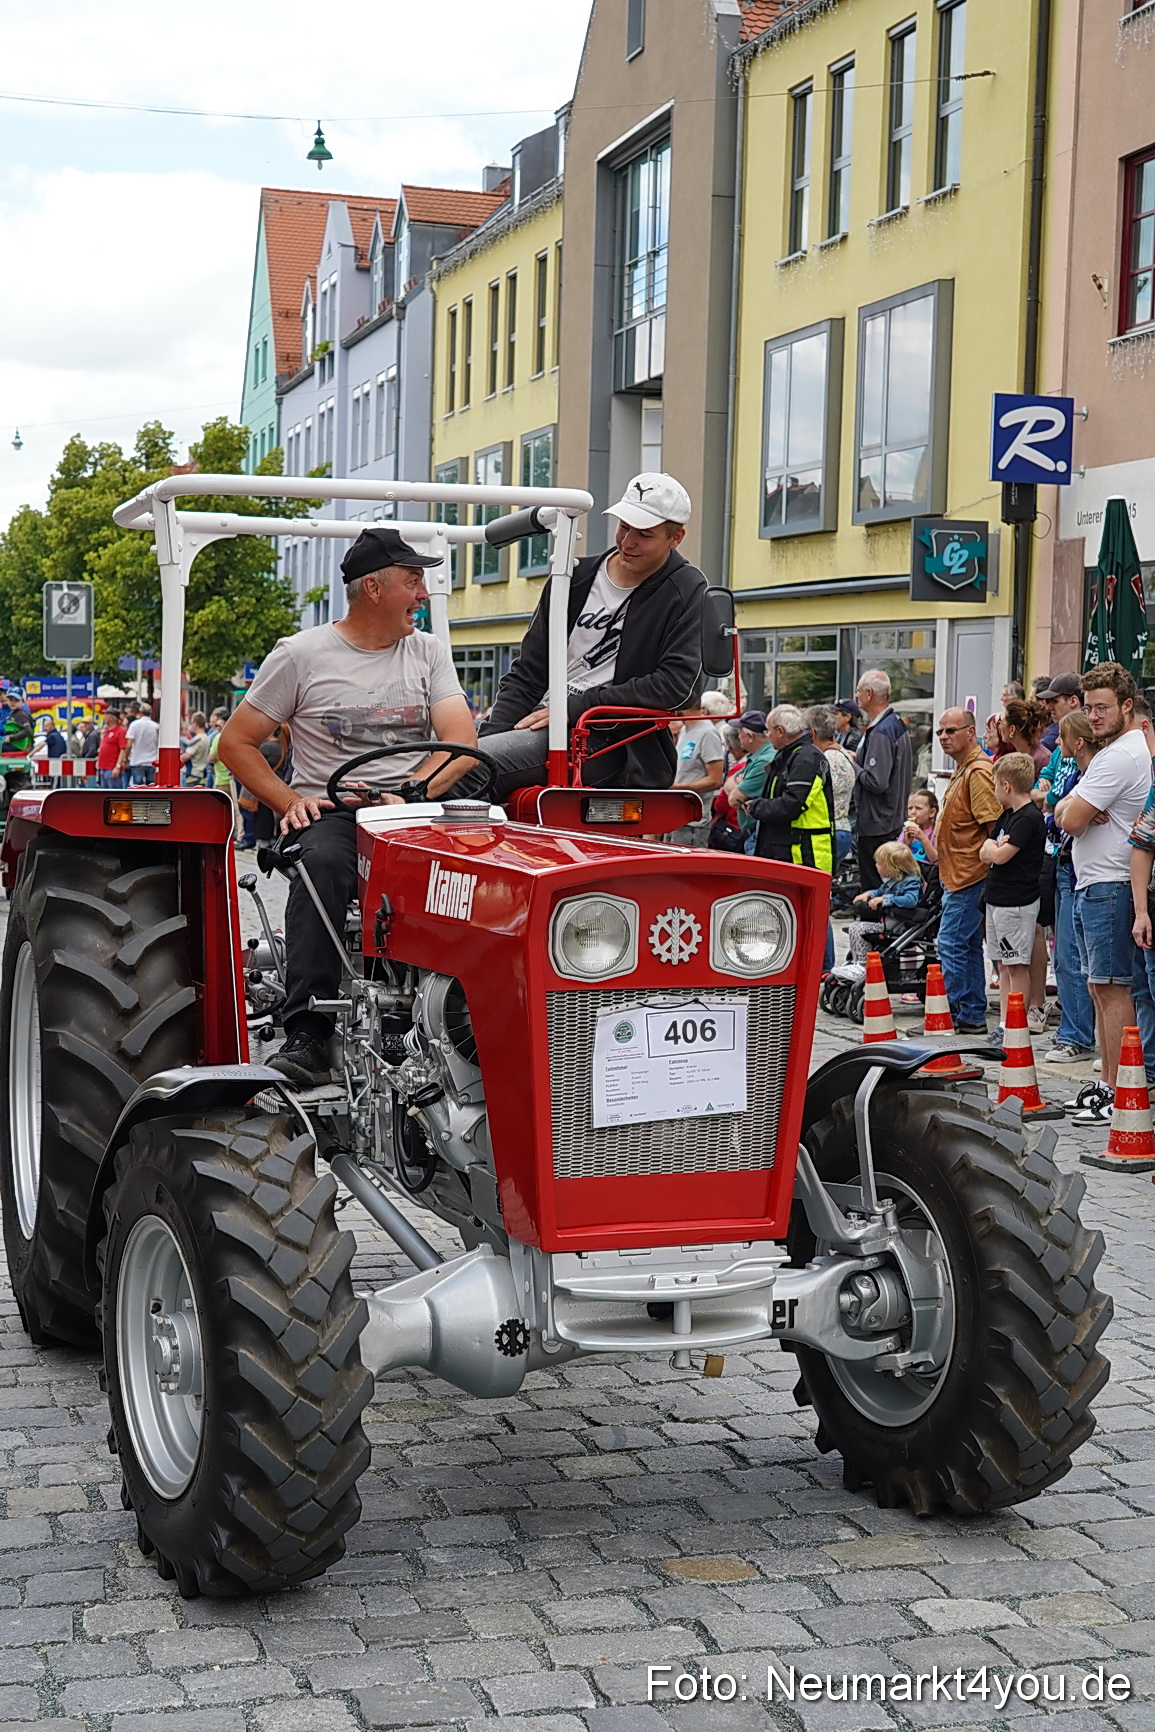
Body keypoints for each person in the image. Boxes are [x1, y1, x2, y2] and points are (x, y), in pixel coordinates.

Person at [219, 524, 478, 1087]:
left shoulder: (428, 653)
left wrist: (411, 791)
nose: (424, 594)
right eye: (414, 581)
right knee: (324, 864)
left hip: (411, 807)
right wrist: (289, 801)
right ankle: (308, 1032)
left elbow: (461, 743)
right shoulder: (301, 655)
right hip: (332, 810)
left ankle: (465, 1020)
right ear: (375, 589)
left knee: (478, 867)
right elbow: (235, 744)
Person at [476, 473, 708, 797]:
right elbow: (528, 672)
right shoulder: (574, 576)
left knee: (472, 769)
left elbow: (677, 686)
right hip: (540, 721)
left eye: (644, 534)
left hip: (609, 741)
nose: (628, 542)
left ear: (676, 538)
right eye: (623, 526)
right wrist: (493, 733)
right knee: (450, 758)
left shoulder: (687, 590)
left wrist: (575, 708)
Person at [1055, 663, 1152, 1124]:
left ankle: (1119, 1088)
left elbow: (1071, 820)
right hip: (1097, 881)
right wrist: (1066, 806)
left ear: (1127, 707)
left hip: (1110, 883)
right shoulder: (1117, 751)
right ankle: (1108, 1082)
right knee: (1098, 987)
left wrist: (1069, 808)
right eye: (1088, 707)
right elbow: (1065, 809)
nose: (1092, 717)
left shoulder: (1118, 756)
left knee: (1113, 990)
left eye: (1102, 708)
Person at [935, 707, 1003, 1033]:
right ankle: (972, 1015)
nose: (944, 737)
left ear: (970, 732)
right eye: (941, 732)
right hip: (959, 873)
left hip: (970, 874)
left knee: (950, 943)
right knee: (969, 945)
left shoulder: (978, 771)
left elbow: (993, 825)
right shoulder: (964, 769)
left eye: (951, 731)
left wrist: (988, 867)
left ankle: (947, 1014)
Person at [1041, 711, 1099, 1063]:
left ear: (1078, 742)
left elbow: (1066, 813)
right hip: (1063, 865)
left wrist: (1061, 807)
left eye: (1062, 739)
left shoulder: (1093, 772)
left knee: (1074, 958)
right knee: (1064, 956)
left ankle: (1078, 1035)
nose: (1057, 745)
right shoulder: (1077, 773)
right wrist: (1060, 807)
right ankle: (1075, 1032)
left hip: (1080, 870)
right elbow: (1055, 809)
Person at [979, 753, 1047, 1034]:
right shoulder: (1008, 815)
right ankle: (1006, 1022)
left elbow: (1001, 854)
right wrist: (992, 848)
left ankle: (1015, 1025)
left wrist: (993, 849)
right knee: (1003, 966)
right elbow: (985, 850)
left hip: (1016, 902)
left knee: (1016, 965)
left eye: (995, 784)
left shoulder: (1028, 818)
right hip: (996, 898)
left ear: (1006, 786)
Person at [737, 704, 834, 871]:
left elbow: (792, 804)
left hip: (804, 852)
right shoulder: (791, 754)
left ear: (780, 731)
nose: (767, 736)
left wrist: (756, 807)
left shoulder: (806, 758)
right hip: (788, 848)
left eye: (768, 731)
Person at [853, 670, 912, 892]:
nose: (856, 696)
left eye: (859, 691)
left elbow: (876, 781)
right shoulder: (896, 724)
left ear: (869, 694)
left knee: (875, 886)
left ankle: (871, 926)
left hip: (877, 823)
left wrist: (853, 766)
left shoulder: (882, 731)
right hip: (892, 818)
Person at [844, 840, 922, 966]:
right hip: (888, 924)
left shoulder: (910, 882)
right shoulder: (891, 881)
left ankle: (863, 964)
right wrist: (869, 894)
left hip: (899, 927)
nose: (876, 866)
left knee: (859, 929)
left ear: (892, 868)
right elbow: (879, 891)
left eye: (879, 864)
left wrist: (885, 899)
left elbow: (911, 900)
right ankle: (857, 960)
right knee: (855, 928)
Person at [668, 698, 726, 847]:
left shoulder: (708, 733)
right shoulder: (684, 730)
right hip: (675, 818)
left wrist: (677, 788)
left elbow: (715, 780)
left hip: (693, 824)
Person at [807, 705, 856, 870]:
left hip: (828, 833)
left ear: (812, 734)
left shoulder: (823, 761)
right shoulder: (844, 753)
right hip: (844, 828)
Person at [1038, 670, 1083, 753]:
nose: (1049, 707)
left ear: (1073, 701)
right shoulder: (1062, 740)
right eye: (1048, 701)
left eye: (1054, 701)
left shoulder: (1086, 742)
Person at [1002, 698, 1052, 771]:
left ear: (1012, 729)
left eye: (1001, 722)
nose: (999, 726)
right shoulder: (1018, 754)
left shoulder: (1043, 759)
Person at [123, 701, 159, 785]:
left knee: (138, 786)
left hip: (137, 760)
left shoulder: (134, 725)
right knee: (151, 787)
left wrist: (125, 759)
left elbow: (129, 744)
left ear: (140, 712)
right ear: (151, 712)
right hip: (151, 761)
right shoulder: (156, 726)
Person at [900, 788, 938, 864]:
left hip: (928, 873)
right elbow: (898, 859)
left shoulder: (937, 831)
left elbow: (936, 861)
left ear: (932, 812)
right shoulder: (906, 831)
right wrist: (906, 844)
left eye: (918, 808)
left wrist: (923, 839)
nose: (913, 812)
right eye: (910, 808)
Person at [97, 708, 128, 789]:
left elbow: (123, 749)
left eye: (106, 716)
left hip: (112, 767)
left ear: (111, 718)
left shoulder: (120, 731)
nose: (104, 718)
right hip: (103, 767)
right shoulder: (107, 731)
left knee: (113, 791)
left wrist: (118, 766)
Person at [181, 712, 211, 786]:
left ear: (195, 723)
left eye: (191, 723)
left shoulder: (198, 739)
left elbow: (187, 756)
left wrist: (177, 758)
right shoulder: (206, 737)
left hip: (191, 774)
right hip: (201, 773)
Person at [2, 689, 33, 756]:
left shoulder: (21, 714)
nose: (13, 702)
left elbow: (28, 731)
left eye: (16, 700)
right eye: (10, 699)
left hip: (17, 745)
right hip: (13, 744)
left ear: (23, 701)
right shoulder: (13, 713)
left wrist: (11, 738)